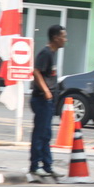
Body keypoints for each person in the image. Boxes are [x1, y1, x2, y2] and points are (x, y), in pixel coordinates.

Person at [29, 24, 66, 177]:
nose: (65, 39)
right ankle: (35, 165)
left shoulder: (52, 53)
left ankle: (47, 166)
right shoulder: (45, 53)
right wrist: (45, 90)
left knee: (46, 134)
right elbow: (36, 71)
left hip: (48, 101)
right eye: (63, 36)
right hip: (41, 99)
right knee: (40, 133)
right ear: (55, 38)